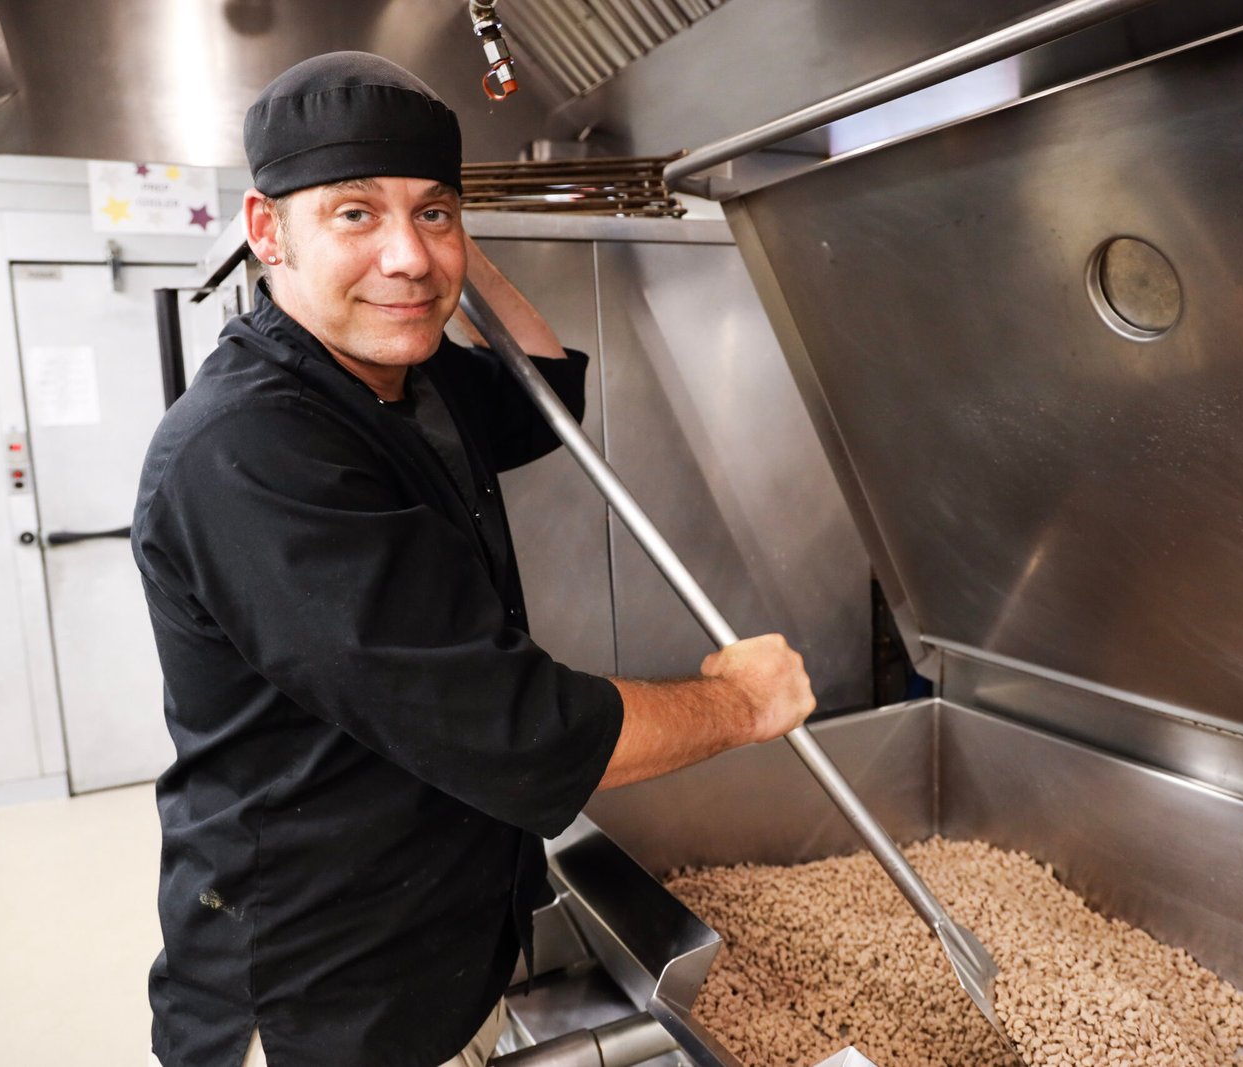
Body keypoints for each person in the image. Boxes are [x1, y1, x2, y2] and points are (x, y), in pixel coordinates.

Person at [133, 51, 816, 1067]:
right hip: (325, 991)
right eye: (354, 213)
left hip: (434, 935)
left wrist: (442, 255)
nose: (405, 255)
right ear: (267, 230)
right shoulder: (250, 453)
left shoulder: (400, 379)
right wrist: (741, 705)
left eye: (434, 212)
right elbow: (520, 734)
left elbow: (544, 389)